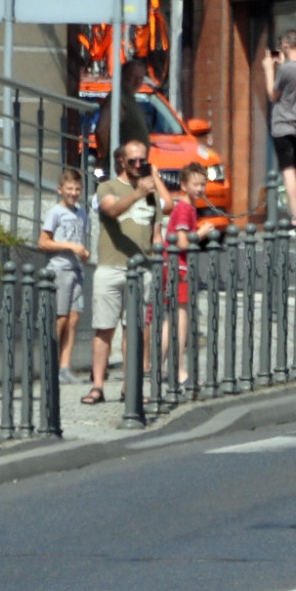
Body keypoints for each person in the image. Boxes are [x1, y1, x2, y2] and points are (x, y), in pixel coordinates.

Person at [82, 139, 164, 406]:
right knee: (104, 328)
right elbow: (111, 210)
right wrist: (138, 192)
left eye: (143, 160)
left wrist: (160, 255)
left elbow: (156, 232)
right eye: (133, 161)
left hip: (142, 270)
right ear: (121, 161)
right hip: (111, 266)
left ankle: (131, 387)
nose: (139, 165)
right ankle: (97, 386)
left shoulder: (151, 192)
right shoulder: (108, 186)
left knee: (135, 330)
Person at [162, 161, 215, 389]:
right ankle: (177, 369)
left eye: (203, 184)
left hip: (176, 266)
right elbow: (182, 241)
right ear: (184, 185)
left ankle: (160, 365)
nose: (200, 189)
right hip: (178, 267)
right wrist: (201, 234)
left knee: (173, 318)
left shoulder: (188, 207)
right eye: (195, 184)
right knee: (179, 319)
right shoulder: (184, 209)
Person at [38, 168, 90, 385]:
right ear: (61, 189)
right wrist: (70, 246)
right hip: (59, 268)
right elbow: (43, 242)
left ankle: (64, 367)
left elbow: (81, 240)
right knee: (60, 319)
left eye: (77, 189)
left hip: (76, 270)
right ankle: (49, 364)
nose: (74, 193)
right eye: (69, 188)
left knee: (73, 318)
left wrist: (83, 253)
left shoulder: (82, 213)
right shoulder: (56, 212)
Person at [262, 29, 296, 223]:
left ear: (285, 45)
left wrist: (269, 69)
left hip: (282, 125)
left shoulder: (284, 70)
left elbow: (273, 95)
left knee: (288, 171)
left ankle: (295, 216)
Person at [94, 58, 151, 179]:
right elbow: (101, 129)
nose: (137, 82)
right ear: (123, 76)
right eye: (133, 77)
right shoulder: (118, 99)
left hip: (135, 168)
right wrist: (106, 156)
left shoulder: (130, 99)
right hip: (123, 170)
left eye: (140, 78)